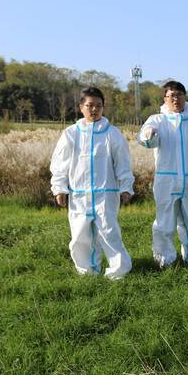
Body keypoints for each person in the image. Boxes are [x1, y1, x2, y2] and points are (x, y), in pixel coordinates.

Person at [50, 87, 134, 280]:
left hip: (106, 194)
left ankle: (118, 273)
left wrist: (126, 186)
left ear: (103, 108)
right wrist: (60, 188)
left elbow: (123, 163)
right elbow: (60, 164)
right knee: (80, 236)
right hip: (79, 194)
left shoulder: (113, 134)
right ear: (81, 107)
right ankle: (87, 273)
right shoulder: (71, 134)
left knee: (109, 233)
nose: (94, 109)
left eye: (98, 105)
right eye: (89, 105)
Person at [137, 81, 188, 267]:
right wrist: (149, 135)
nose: (176, 99)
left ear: (185, 97)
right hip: (166, 180)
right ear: (165, 99)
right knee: (164, 223)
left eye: (179, 94)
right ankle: (165, 260)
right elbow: (145, 141)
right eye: (171, 95)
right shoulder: (157, 120)